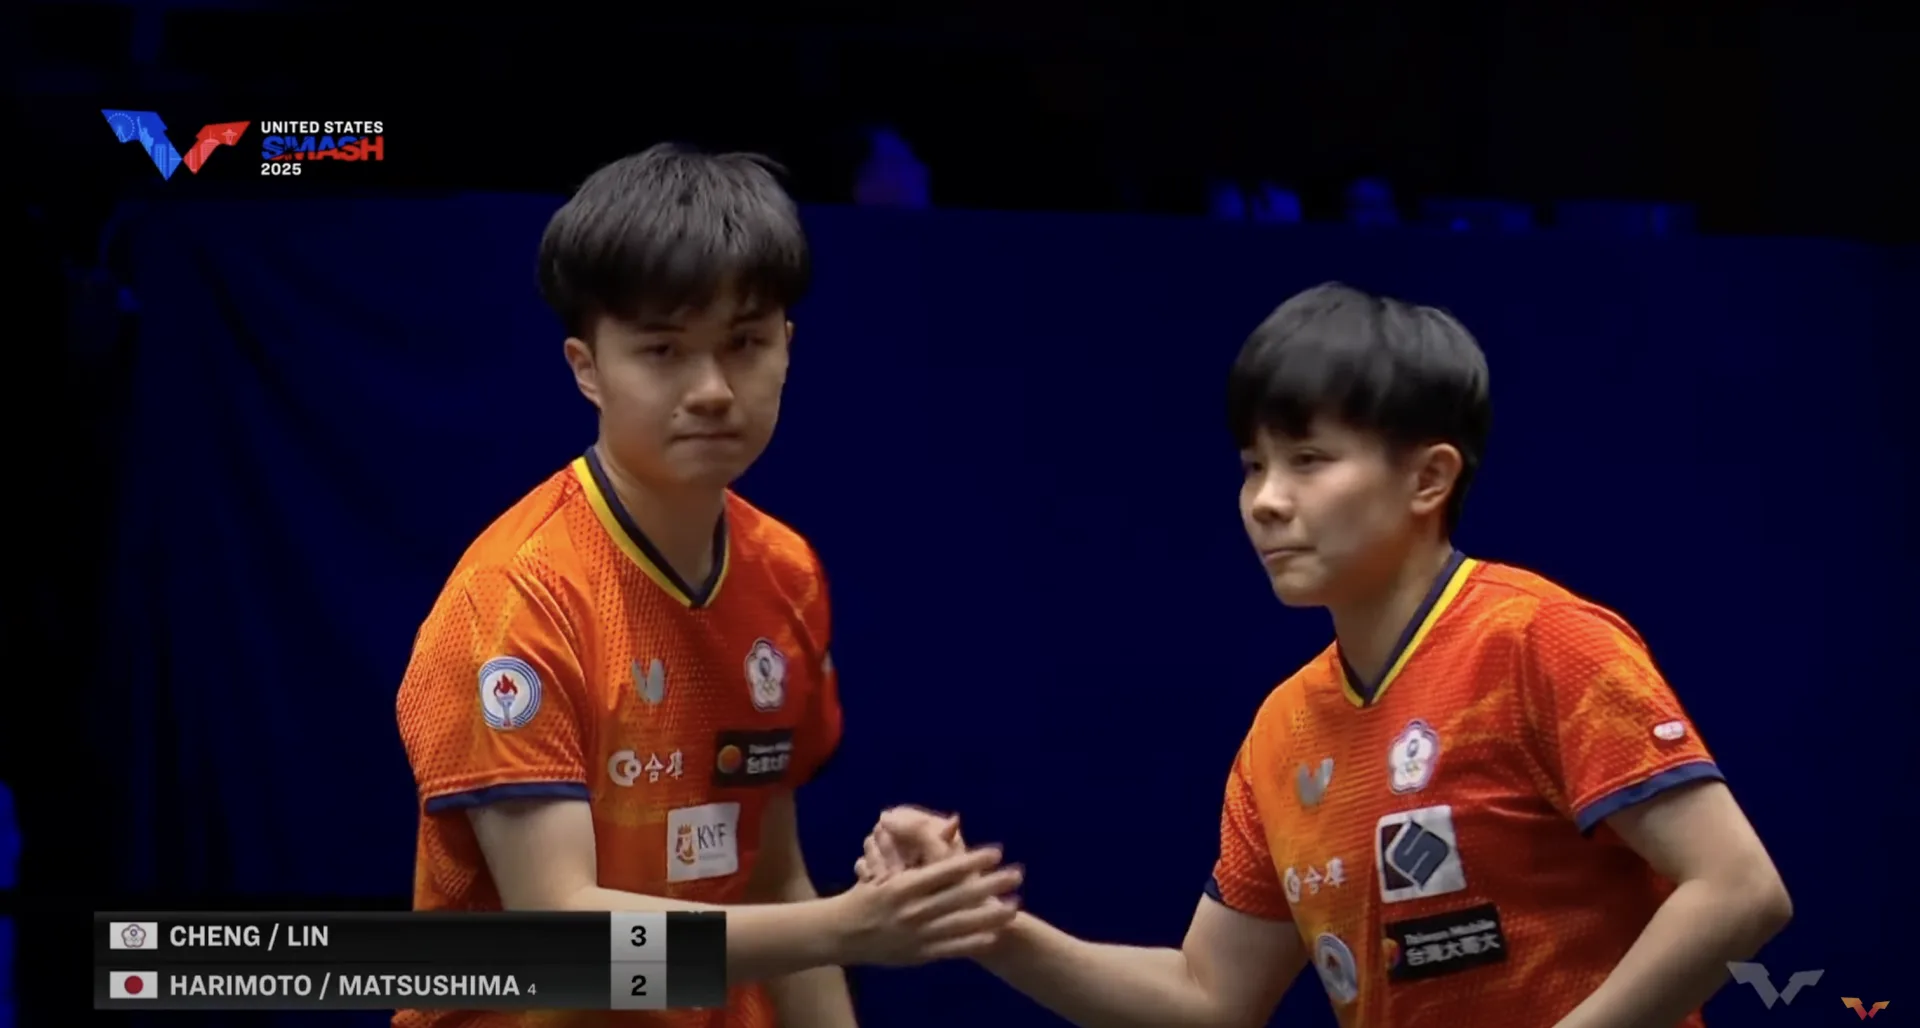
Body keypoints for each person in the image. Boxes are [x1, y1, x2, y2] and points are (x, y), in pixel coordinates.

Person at [856, 284, 1793, 1028]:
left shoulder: (1539, 640)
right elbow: (1208, 999)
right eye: (1252, 467)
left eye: (1308, 460)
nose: (1266, 500)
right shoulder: (1283, 732)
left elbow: (1740, 890)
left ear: (1428, 477)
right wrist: (987, 928)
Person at [394, 144, 1020, 1028]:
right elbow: (564, 939)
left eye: (745, 344)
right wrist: (848, 926)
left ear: (787, 349)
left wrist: (839, 925)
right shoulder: (517, 599)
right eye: (663, 350)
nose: (714, 389)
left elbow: (774, 876)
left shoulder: (786, 575)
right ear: (585, 367)